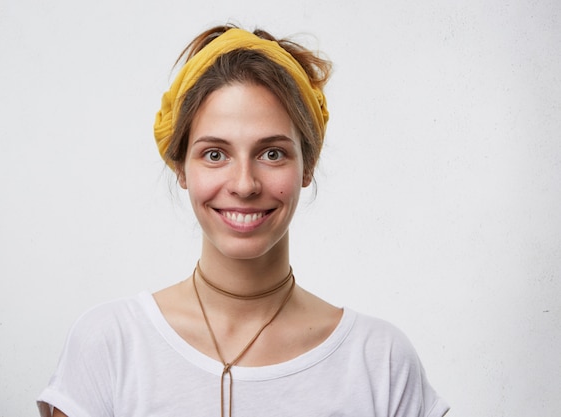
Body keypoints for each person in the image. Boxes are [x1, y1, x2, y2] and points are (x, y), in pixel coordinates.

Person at [37, 24, 450, 417]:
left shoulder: (380, 361)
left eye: (272, 153)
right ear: (181, 167)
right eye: (214, 154)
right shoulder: (109, 345)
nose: (245, 184)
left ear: (308, 166)